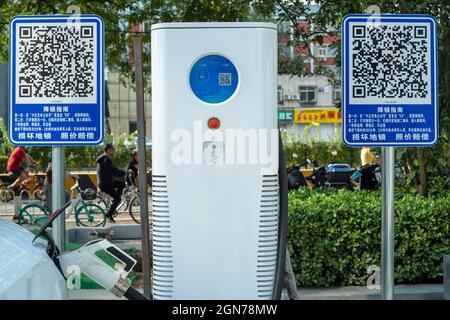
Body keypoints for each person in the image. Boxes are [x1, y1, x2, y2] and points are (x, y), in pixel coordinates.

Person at [96, 144, 130, 223]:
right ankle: (109, 214)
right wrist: (124, 172)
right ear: (108, 150)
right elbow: (112, 171)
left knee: (121, 184)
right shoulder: (105, 160)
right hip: (105, 184)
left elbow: (113, 169)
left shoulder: (105, 159)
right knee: (118, 198)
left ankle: (114, 202)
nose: (114, 151)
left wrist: (123, 172)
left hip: (108, 181)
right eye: (113, 149)